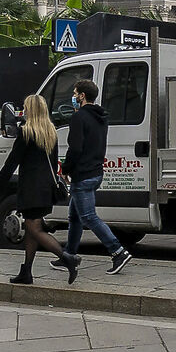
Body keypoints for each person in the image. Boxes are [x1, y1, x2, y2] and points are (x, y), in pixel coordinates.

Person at [60, 78, 130, 274]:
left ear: (82, 96)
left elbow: (75, 149)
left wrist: (65, 169)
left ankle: (118, 251)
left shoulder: (79, 118)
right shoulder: (101, 117)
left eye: (75, 94)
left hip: (82, 174)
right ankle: (69, 255)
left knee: (89, 217)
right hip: (96, 172)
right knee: (75, 216)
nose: (73, 97)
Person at [0, 94, 71, 285]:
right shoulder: (51, 131)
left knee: (34, 229)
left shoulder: (26, 132)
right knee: (33, 230)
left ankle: (68, 258)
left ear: (30, 110)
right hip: (46, 188)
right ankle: (26, 272)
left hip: (31, 189)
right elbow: (54, 163)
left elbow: (11, 163)